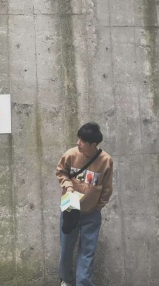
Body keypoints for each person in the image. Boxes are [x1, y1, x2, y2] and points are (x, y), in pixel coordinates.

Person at [56, 122, 113, 286]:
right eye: (78, 139)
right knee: (66, 249)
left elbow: (107, 187)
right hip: (70, 207)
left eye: (82, 140)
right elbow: (60, 172)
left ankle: (84, 283)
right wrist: (68, 186)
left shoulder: (106, 161)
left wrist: (98, 206)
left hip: (91, 212)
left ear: (93, 144)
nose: (78, 143)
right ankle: (66, 279)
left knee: (88, 252)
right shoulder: (71, 154)